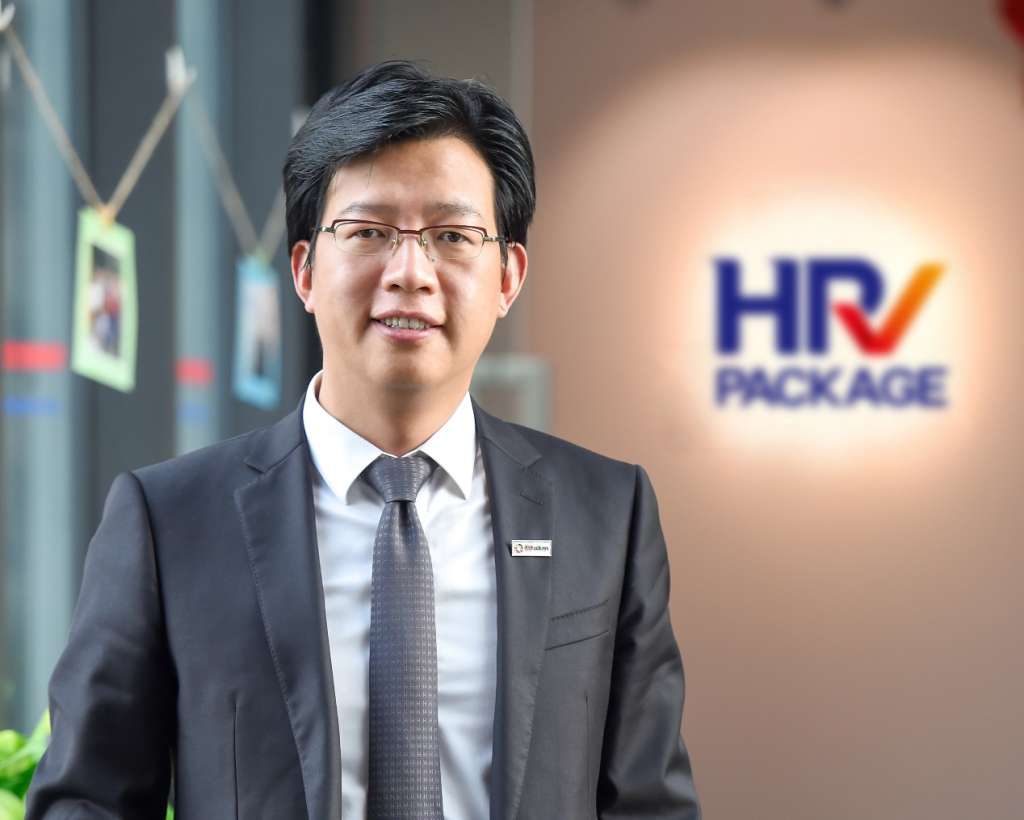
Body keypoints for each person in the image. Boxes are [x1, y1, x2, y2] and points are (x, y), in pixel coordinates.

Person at [26, 61, 701, 819]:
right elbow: (86, 801)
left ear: (508, 277)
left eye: (452, 235)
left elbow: (649, 804)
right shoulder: (170, 520)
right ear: (305, 270)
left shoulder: (605, 514)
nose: (410, 272)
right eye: (369, 232)